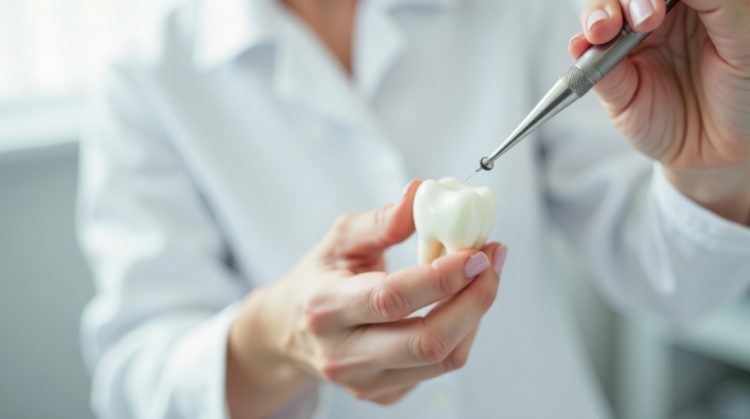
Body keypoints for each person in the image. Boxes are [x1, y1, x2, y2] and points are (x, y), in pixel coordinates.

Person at [77, 0, 750, 418]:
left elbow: (679, 285)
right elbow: (136, 386)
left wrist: (713, 166)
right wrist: (276, 337)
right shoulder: (145, 80)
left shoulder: (514, 9)